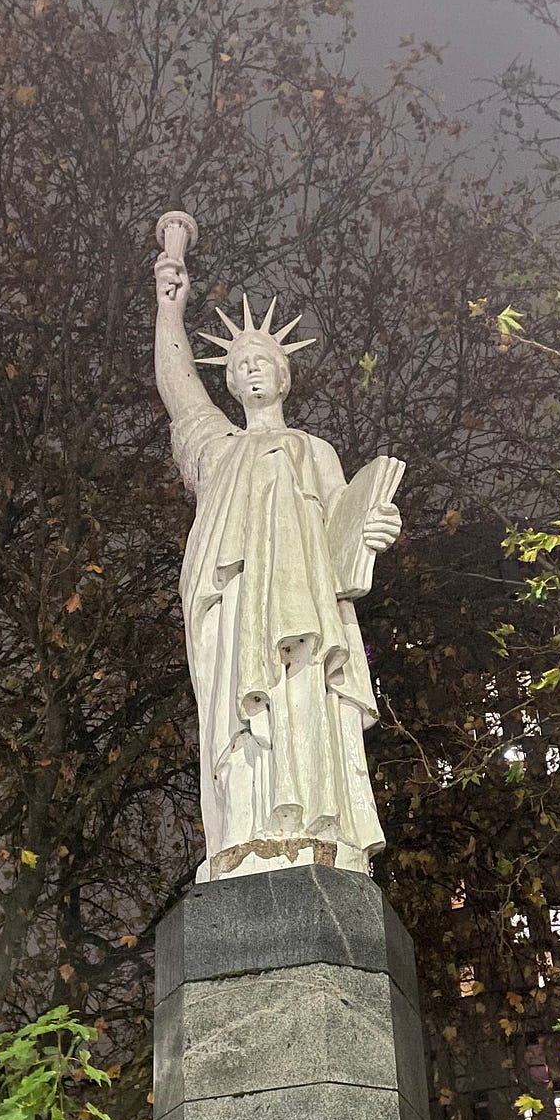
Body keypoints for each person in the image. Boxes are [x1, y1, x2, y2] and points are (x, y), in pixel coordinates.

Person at [153, 230, 402, 882]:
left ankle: (314, 829)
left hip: (306, 623)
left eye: (263, 359)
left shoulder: (314, 452)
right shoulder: (216, 448)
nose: (251, 367)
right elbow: (178, 387)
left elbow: (347, 537)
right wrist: (168, 307)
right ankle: (243, 838)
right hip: (238, 615)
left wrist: (376, 525)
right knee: (243, 722)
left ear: (285, 373)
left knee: (298, 704)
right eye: (239, 364)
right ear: (229, 382)